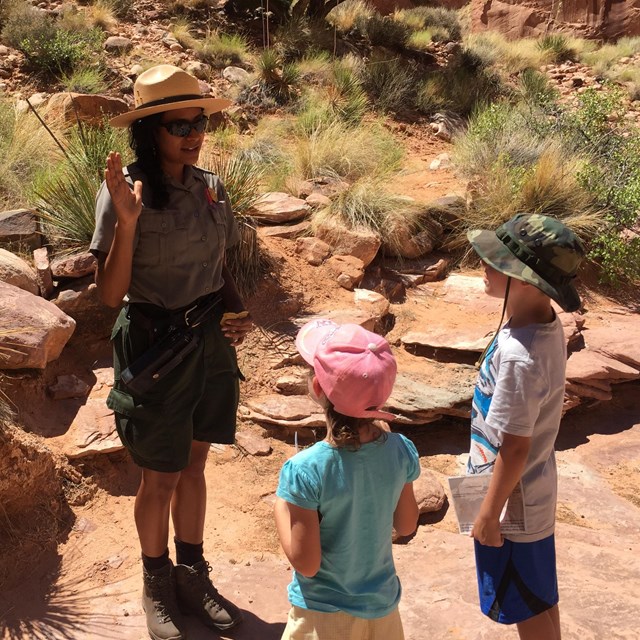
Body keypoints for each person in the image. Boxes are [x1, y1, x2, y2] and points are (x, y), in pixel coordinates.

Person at [90, 64, 253, 640]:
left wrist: (235, 313)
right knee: (158, 477)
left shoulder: (211, 185)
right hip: (154, 345)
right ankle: (155, 582)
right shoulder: (124, 192)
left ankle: (193, 573)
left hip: (206, 342)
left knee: (195, 464)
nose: (193, 134)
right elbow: (112, 295)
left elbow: (219, 264)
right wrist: (129, 226)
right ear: (149, 131)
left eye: (200, 121)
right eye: (178, 125)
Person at [465, 213, 586, 640]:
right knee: (538, 598)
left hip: (513, 506)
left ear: (527, 280)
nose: (484, 264)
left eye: (496, 261)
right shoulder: (544, 326)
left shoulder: (520, 354)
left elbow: (514, 447)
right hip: (532, 493)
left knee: (525, 607)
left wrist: (489, 515)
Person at [274, 319, 420, 640]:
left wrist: (281, 509)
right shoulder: (401, 450)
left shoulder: (304, 469)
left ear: (316, 389)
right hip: (382, 612)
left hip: (322, 618)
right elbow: (407, 525)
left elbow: (307, 564)